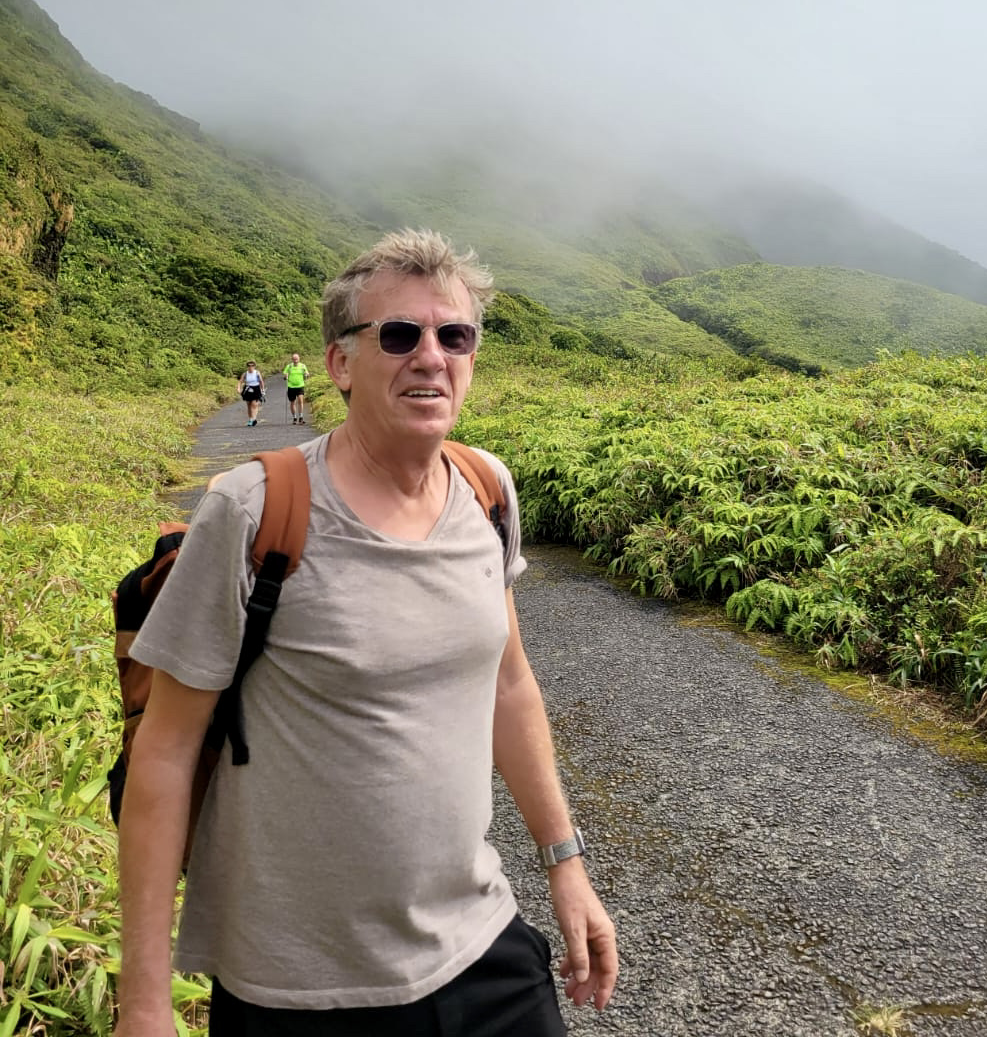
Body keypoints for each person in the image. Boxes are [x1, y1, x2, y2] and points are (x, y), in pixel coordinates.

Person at [116, 230, 618, 1037]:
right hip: (298, 990)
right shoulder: (255, 511)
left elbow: (509, 685)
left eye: (455, 336)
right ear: (340, 363)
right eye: (399, 335)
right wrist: (143, 1002)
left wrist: (566, 864)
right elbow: (165, 752)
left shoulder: (487, 489)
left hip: (480, 946)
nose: (431, 357)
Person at [284, 352, 309, 424]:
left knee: (300, 401)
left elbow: (307, 373)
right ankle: (294, 417)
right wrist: (286, 376)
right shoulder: (289, 366)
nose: (295, 360)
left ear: (299, 359)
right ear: (292, 359)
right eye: (294, 359)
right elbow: (285, 374)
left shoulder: (303, 366)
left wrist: (307, 374)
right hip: (291, 386)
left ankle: (301, 417)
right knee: (293, 402)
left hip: (300, 386)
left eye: (296, 359)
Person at [237, 360, 264, 426]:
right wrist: (238, 388)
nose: (250, 367)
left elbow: (261, 381)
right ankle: (251, 419)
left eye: (252, 365)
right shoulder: (245, 374)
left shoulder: (257, 373)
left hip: (256, 389)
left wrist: (262, 390)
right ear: (247, 367)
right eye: (249, 366)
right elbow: (240, 381)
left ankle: (253, 419)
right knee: (249, 405)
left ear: (254, 366)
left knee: (254, 404)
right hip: (248, 389)